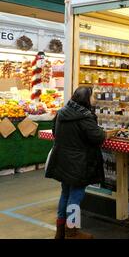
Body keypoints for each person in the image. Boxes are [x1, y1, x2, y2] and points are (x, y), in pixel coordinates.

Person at [45, 86, 108, 239]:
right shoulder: (85, 116)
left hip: (63, 161)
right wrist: (104, 132)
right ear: (86, 98)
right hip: (79, 164)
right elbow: (97, 137)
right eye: (93, 96)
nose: (94, 99)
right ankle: (72, 232)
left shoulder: (61, 112)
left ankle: (60, 231)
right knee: (76, 196)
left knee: (65, 193)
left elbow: (55, 133)